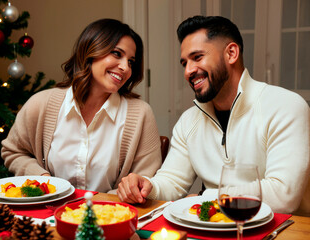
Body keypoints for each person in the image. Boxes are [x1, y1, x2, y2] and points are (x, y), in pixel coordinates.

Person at [117, 15, 310, 214]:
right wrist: (148, 186)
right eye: (184, 63)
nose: (188, 71)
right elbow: (172, 181)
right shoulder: (188, 121)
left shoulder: (286, 106)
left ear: (231, 53)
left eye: (197, 57)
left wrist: (206, 198)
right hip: (213, 230)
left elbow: (282, 195)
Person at [1, 18, 162, 193]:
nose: (125, 67)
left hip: (110, 215)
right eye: (117, 54)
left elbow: (146, 180)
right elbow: (13, 152)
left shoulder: (140, 114)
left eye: (131, 61)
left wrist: (105, 203)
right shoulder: (42, 104)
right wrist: (41, 179)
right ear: (90, 51)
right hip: (48, 215)